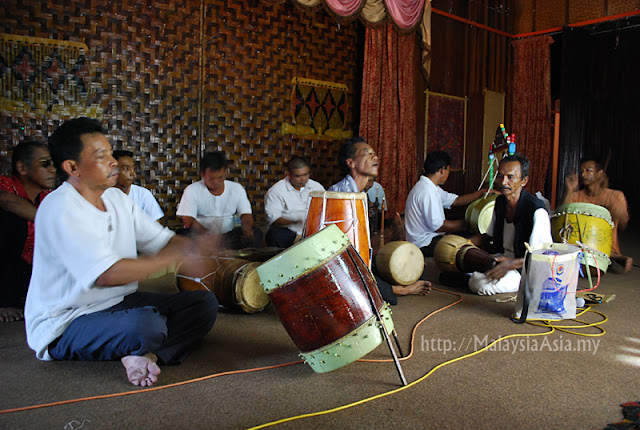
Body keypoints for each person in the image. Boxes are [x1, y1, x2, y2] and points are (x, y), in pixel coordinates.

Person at [24, 117, 218, 387]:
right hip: (66, 321)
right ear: (72, 167)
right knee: (146, 325)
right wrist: (172, 259)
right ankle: (141, 345)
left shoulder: (116, 199)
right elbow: (107, 275)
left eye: (110, 153)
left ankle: (147, 355)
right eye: (101, 155)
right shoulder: (60, 207)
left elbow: (162, 240)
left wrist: (190, 248)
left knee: (203, 303)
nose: (113, 161)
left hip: (119, 302)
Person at [329, 137, 431, 303]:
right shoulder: (341, 194)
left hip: (358, 257)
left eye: (374, 154)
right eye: (367, 154)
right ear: (351, 163)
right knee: (357, 277)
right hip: (342, 264)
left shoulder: (361, 194)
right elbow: (340, 249)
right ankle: (399, 290)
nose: (375, 157)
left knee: (412, 268)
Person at [468, 153, 552, 295]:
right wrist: (463, 244)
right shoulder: (500, 202)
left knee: (482, 285)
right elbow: (488, 237)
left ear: (524, 181)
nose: (503, 182)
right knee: (463, 270)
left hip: (524, 266)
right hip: (501, 258)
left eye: (510, 177)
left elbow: (542, 255)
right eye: (500, 176)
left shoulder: (536, 211)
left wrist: (511, 264)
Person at [0, 141, 56, 322]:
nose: (53, 169)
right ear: (22, 168)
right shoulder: (6, 185)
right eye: (45, 164)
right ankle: (4, 301)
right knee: (13, 222)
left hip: (25, 269)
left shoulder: (48, 198)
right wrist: (51, 221)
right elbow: (8, 202)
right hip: (5, 265)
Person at [404, 150, 492, 257]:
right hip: (423, 244)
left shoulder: (431, 187)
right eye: (448, 170)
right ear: (442, 170)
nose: (448, 174)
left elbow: (456, 200)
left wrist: (480, 193)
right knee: (476, 240)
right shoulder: (426, 191)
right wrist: (471, 224)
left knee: (468, 236)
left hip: (430, 238)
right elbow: (439, 226)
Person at [176, 151, 262, 249]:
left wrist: (246, 228)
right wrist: (207, 234)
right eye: (211, 179)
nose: (216, 182)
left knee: (256, 233)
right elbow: (188, 220)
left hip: (228, 236)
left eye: (220, 178)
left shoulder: (236, 188)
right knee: (183, 236)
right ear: (202, 174)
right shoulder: (192, 190)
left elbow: (246, 214)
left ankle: (222, 249)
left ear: (225, 172)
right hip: (203, 236)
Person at [562, 157, 632, 272]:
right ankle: (616, 258)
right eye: (581, 171)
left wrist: (618, 212)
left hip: (605, 248)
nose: (583, 174)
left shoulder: (615, 196)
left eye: (588, 170)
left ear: (600, 174)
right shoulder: (576, 196)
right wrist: (569, 190)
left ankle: (612, 256)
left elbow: (623, 225)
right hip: (578, 246)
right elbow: (563, 216)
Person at [264, 156, 324, 248]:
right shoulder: (276, 191)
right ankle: (300, 241)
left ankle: (305, 241)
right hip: (289, 234)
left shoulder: (316, 187)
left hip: (313, 231)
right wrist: (295, 221)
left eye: (306, 174)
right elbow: (275, 221)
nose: (303, 179)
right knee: (275, 233)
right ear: (288, 175)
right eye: (298, 176)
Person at [112, 150, 164, 222]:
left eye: (133, 168)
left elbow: (155, 225)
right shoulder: (104, 196)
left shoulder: (143, 194)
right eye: (126, 168)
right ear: (113, 170)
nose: (132, 173)